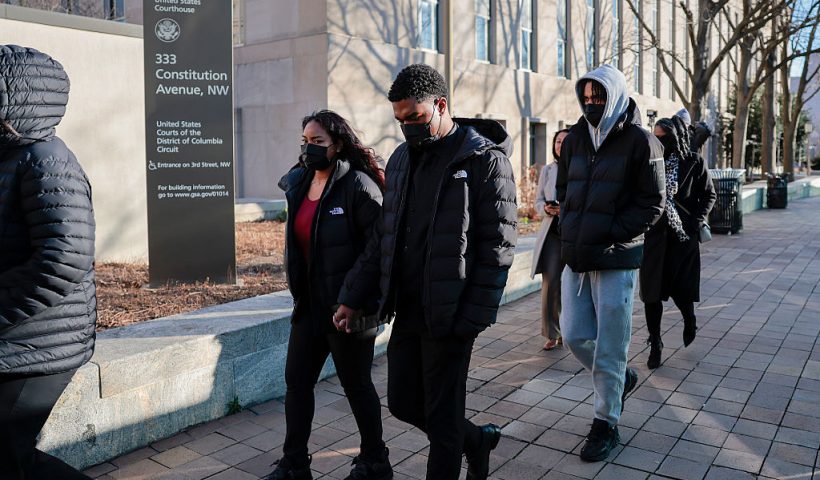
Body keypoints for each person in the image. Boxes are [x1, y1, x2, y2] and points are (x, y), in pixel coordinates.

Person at [334, 64, 517, 480]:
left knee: (443, 418)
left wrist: (473, 316)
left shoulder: (484, 161)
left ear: (441, 105)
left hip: (452, 314)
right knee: (402, 402)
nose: (407, 128)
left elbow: (499, 247)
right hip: (408, 307)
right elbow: (384, 236)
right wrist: (352, 295)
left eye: (414, 117)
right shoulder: (401, 160)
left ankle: (463, 445)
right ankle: (477, 440)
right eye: (399, 120)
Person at [268, 111, 391, 480]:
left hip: (348, 308)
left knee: (356, 385)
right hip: (309, 305)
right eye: (305, 141)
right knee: (296, 382)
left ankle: (375, 461)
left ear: (337, 144)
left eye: (318, 142)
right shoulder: (300, 181)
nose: (309, 148)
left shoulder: (358, 186)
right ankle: (294, 463)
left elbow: (378, 249)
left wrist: (352, 301)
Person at [556, 64, 665, 462]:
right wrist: (570, 229)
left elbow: (653, 203)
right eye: (586, 98)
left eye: (598, 97)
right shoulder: (575, 140)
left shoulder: (641, 142)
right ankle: (621, 380)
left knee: (609, 347)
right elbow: (566, 190)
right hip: (577, 256)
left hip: (617, 259)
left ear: (614, 95)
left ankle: (606, 422)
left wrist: (611, 231)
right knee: (573, 334)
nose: (591, 104)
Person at [0, 45, 96, 480]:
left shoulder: (46, 159)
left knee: (10, 459)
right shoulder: (11, 157)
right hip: (17, 340)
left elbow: (63, 258)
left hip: (38, 345)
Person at [641, 115, 716, 369]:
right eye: (655, 137)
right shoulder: (649, 162)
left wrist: (695, 223)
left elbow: (709, 194)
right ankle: (655, 343)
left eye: (663, 138)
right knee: (651, 295)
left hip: (682, 239)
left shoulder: (693, 162)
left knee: (680, 291)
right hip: (653, 239)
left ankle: (689, 318)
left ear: (675, 138)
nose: (659, 142)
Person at [531, 129, 570, 350]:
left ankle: (571, 330)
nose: (560, 145)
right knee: (552, 283)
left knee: (573, 285)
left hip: (574, 234)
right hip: (552, 234)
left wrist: (563, 209)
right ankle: (552, 333)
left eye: (565, 141)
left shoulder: (579, 167)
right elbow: (537, 202)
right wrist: (546, 208)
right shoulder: (548, 170)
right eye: (557, 141)